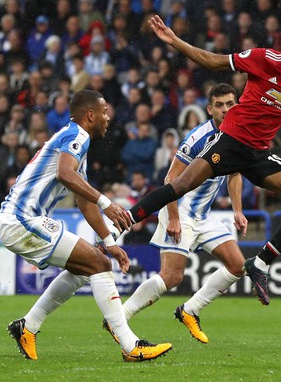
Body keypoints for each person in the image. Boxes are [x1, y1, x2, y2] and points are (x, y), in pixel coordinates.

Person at [118, 15, 281, 306]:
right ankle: (127, 219)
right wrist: (174, 40)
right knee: (181, 185)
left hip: (259, 153)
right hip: (231, 141)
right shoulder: (264, 58)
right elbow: (213, 62)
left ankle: (261, 263)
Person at [0, 89, 171, 362]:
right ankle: (130, 345)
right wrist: (108, 203)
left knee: (86, 269)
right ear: (90, 115)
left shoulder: (76, 141)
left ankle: (26, 327)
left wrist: (110, 243)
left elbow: (83, 200)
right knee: (99, 266)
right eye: (104, 112)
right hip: (21, 219)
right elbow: (65, 174)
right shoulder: (76, 135)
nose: (108, 118)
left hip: (21, 220)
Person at [103, 83, 248, 345]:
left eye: (230, 104)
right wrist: (173, 217)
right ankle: (119, 318)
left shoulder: (238, 136)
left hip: (204, 216)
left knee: (238, 266)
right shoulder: (197, 138)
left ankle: (189, 311)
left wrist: (238, 211)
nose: (226, 109)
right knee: (172, 276)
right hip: (180, 210)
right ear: (209, 109)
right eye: (219, 105)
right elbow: (171, 177)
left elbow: (235, 173)